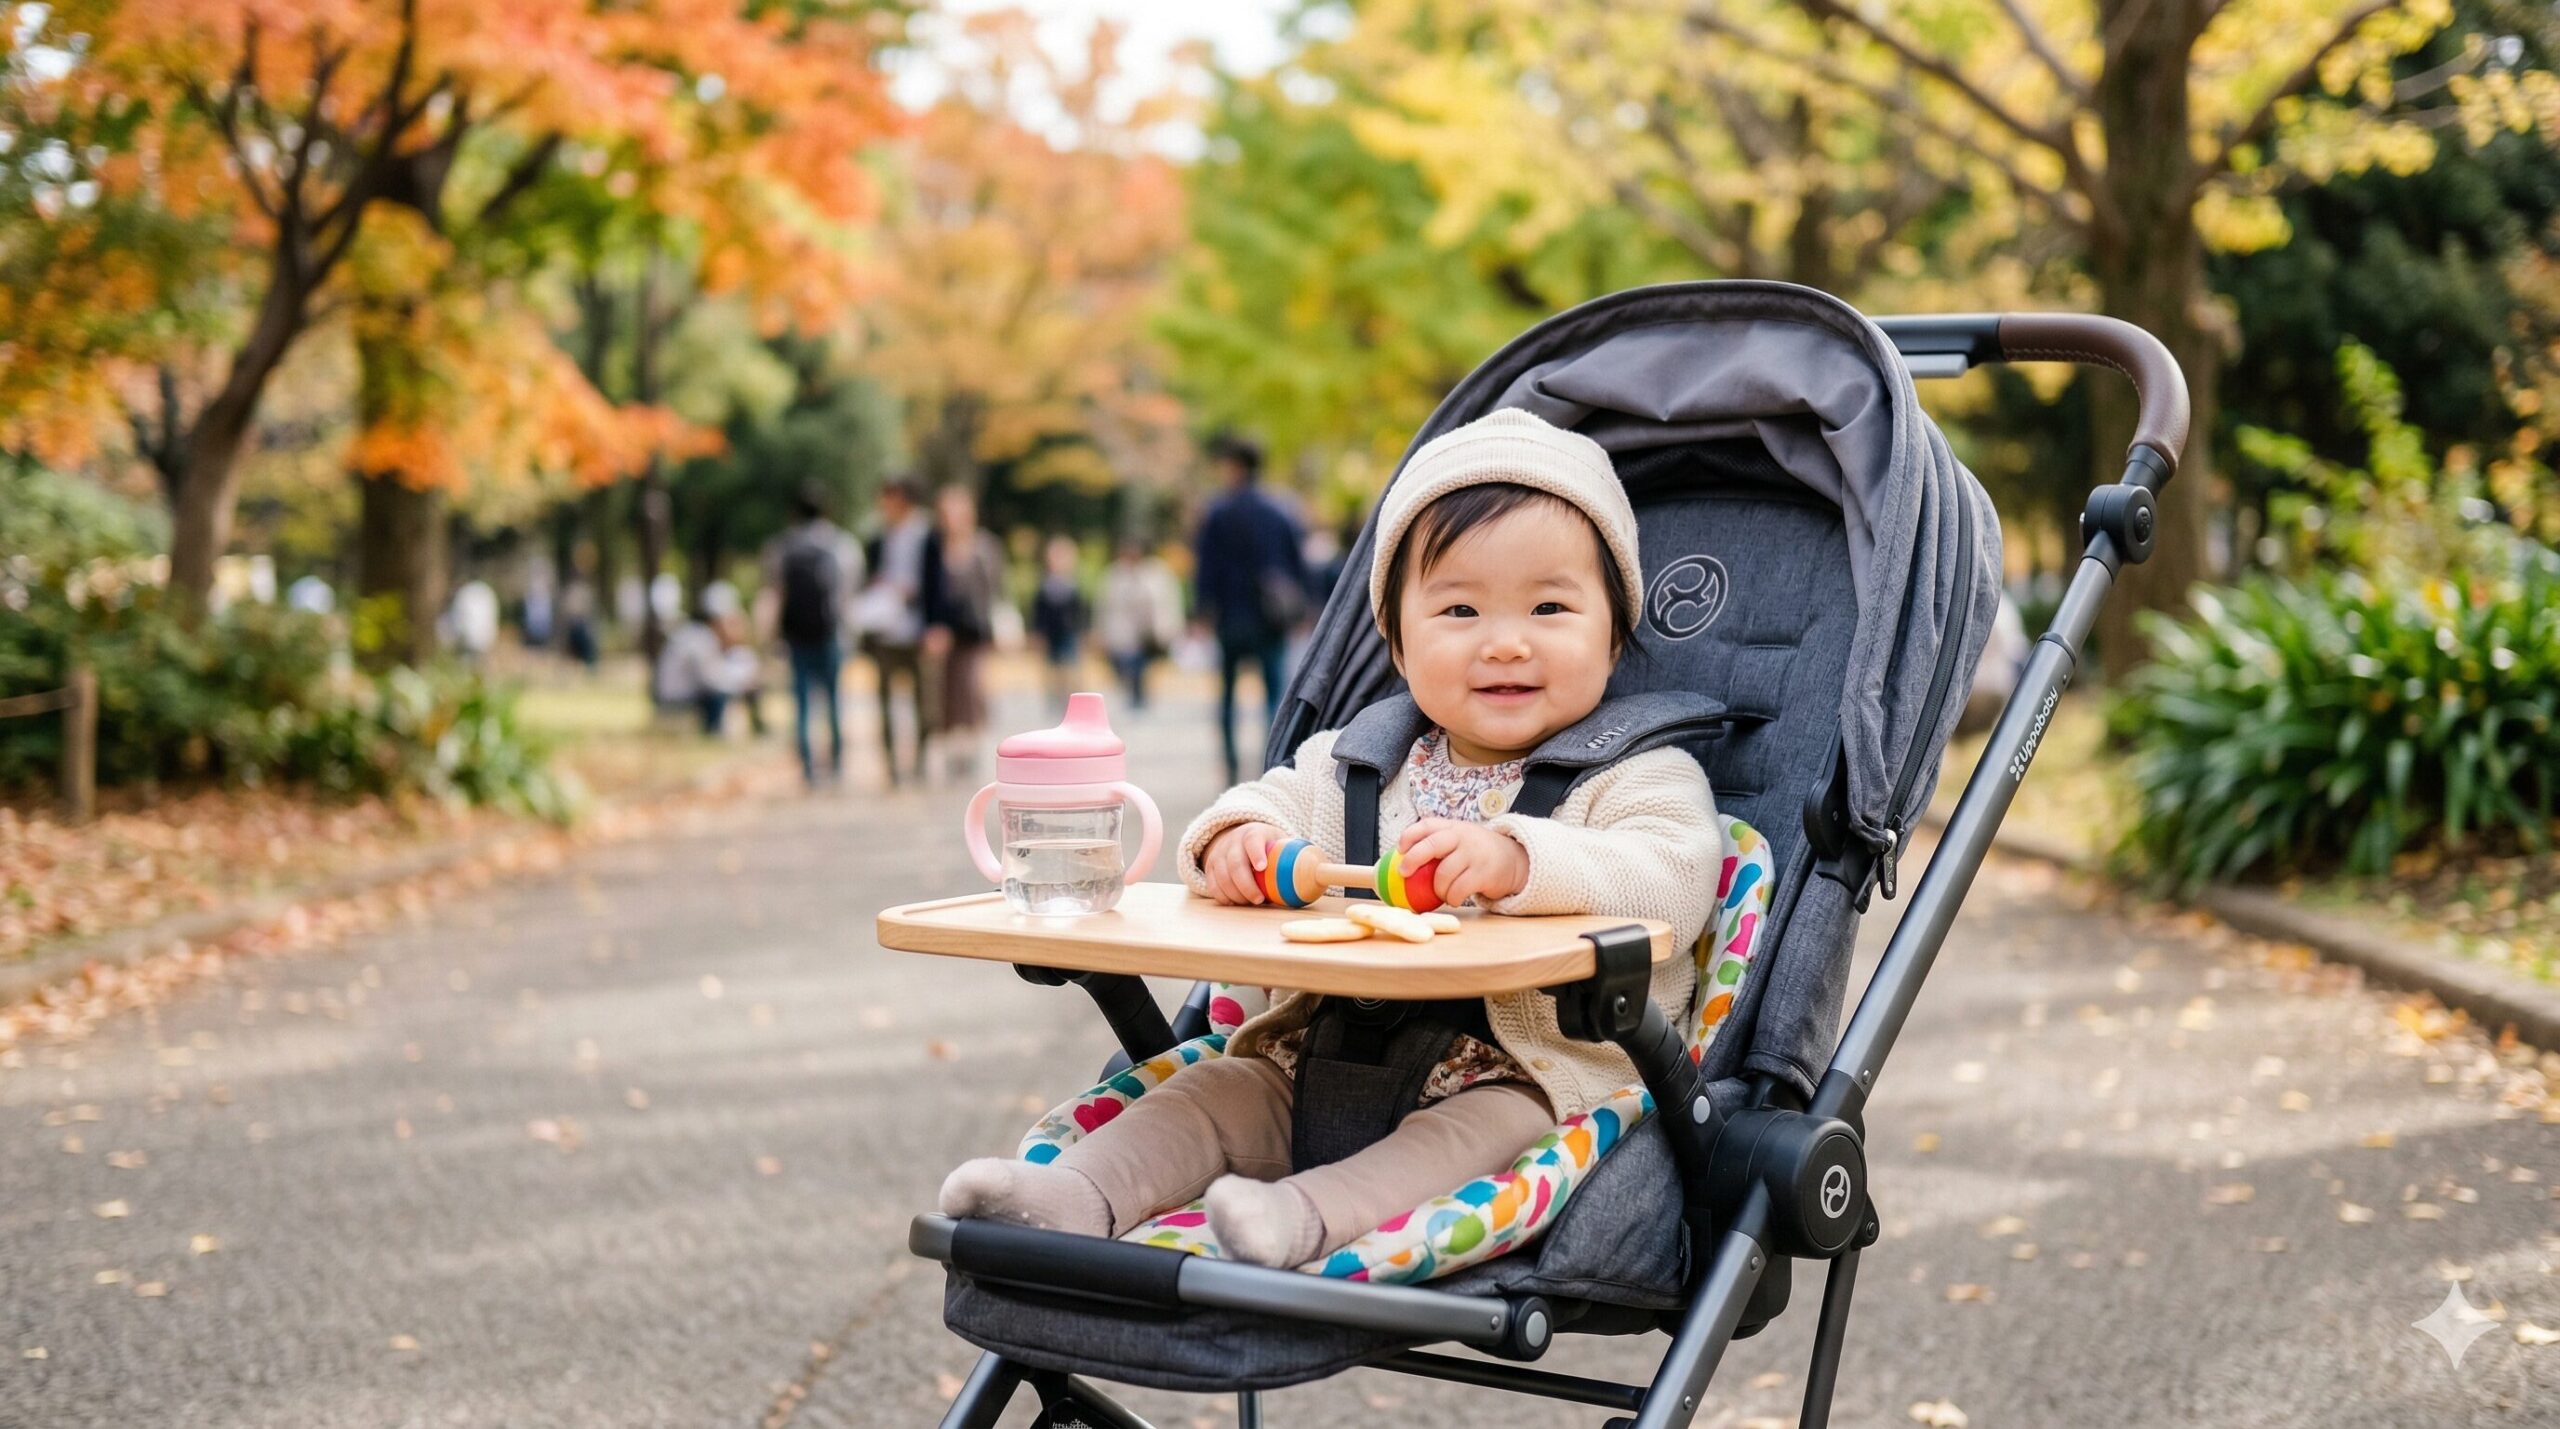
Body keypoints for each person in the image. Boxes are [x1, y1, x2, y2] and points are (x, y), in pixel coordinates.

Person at [939, 409, 1721, 1269]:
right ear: (1394, 637)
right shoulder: (1352, 764)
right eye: (1459, 608)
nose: (1505, 640)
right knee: (1208, 1092)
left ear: (1615, 632)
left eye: (1549, 606)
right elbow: (1237, 815)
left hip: (1526, 1081)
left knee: (1468, 1134)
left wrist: (1520, 859)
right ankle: (1074, 1195)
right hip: (1315, 1058)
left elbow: (1673, 878)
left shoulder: (1639, 775)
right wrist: (1237, 845)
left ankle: (1300, 1219)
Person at [1191, 436, 1309, 784]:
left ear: (1236, 466)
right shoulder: (1280, 511)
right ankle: (1271, 767)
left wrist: (1201, 611)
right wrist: (1303, 610)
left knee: (1227, 696)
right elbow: (1297, 565)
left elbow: (1206, 568)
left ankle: (1229, 768)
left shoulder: (1218, 512)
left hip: (1231, 616)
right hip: (1270, 618)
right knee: (1273, 695)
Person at [764, 483, 863, 788]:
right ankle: (835, 765)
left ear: (794, 512)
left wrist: (771, 635)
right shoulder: (842, 545)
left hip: (796, 636)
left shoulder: (781, 547)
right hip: (831, 633)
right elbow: (849, 594)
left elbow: (775, 592)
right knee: (834, 700)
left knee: (803, 703)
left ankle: (808, 768)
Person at [858, 479, 941, 786]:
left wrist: (935, 625)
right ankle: (892, 765)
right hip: (885, 628)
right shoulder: (878, 538)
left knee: (926, 702)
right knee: (884, 700)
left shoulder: (927, 534)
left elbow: (937, 584)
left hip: (918, 629)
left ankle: (919, 760)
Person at [927, 486, 1006, 776]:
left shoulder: (985, 547)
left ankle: (971, 748)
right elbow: (931, 592)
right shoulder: (934, 547)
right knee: (946, 692)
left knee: (972, 689)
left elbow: (995, 591)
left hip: (975, 631)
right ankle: (951, 749)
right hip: (944, 634)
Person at [1094, 539, 1182, 711]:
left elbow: (1166, 603)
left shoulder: (1157, 573)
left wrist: (1171, 627)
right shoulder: (1113, 575)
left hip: (1148, 633)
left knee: (1140, 666)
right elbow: (1102, 606)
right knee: (1120, 666)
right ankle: (1134, 694)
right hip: (1121, 633)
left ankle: (1139, 698)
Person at [655, 595, 753, 736]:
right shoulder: (702, 640)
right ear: (717, 623)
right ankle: (714, 732)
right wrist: (740, 684)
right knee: (718, 695)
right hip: (676, 696)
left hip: (677, 692)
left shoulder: (699, 636)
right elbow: (710, 681)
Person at [1030, 535, 1088, 712]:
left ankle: (1072, 702)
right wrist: (1038, 633)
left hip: (1069, 633)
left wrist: (1084, 632)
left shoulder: (1073, 586)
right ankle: (1055, 701)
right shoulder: (1044, 586)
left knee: (1070, 669)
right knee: (1052, 671)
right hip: (1050, 635)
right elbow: (1038, 613)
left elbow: (1081, 613)